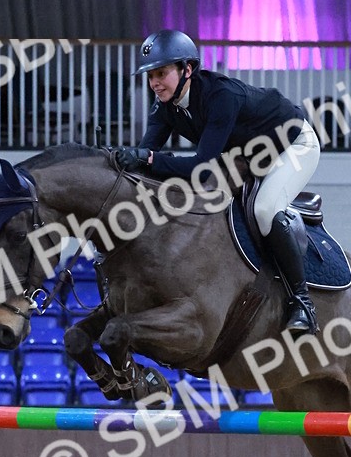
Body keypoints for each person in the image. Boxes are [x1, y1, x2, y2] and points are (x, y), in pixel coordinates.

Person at [114, 29, 321, 335]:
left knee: (265, 209)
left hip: (292, 144)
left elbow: (201, 166)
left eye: (161, 73)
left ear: (187, 69)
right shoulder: (165, 106)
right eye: (150, 75)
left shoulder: (220, 96)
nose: (154, 83)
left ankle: (303, 303)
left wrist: (146, 159)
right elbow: (148, 158)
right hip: (247, 155)